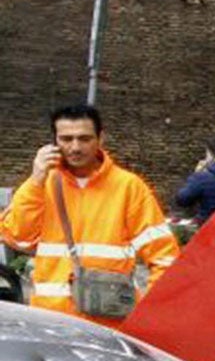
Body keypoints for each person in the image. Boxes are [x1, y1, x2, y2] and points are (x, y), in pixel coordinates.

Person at [0, 103, 178, 318]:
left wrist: (149, 313)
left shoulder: (129, 187)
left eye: (84, 138)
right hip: (51, 320)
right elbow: (17, 236)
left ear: (100, 139)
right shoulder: (42, 184)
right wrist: (35, 180)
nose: (75, 147)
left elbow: (165, 259)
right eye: (66, 139)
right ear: (54, 142)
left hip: (108, 323)